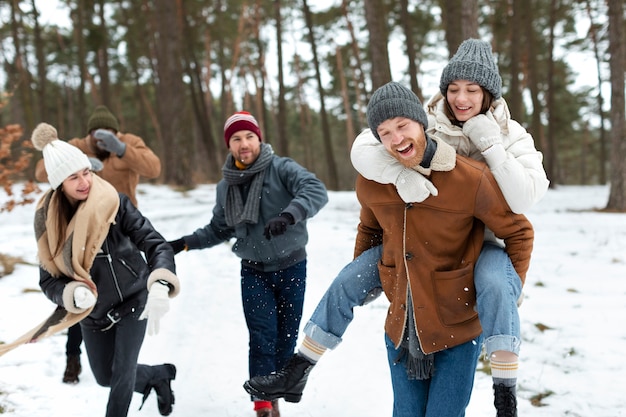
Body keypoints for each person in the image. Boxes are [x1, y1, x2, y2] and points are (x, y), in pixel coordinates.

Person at [244, 39, 548, 417]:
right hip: (411, 272)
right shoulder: (416, 133)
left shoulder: (505, 139)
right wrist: (380, 272)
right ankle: (299, 367)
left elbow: (521, 209)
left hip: (480, 248)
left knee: (494, 284)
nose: (461, 97)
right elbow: (369, 163)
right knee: (346, 280)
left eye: (472, 89)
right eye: (454, 89)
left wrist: (490, 147)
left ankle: (505, 394)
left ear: (489, 93)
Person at [167, 111, 328, 417]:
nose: (244, 144)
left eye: (249, 136)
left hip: (292, 266)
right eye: (237, 138)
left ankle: (279, 389)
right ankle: (263, 405)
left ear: (259, 138)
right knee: (261, 336)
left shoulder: (282, 168)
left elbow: (315, 190)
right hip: (254, 271)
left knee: (286, 337)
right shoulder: (226, 187)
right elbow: (219, 228)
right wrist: (183, 243)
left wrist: (289, 215)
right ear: (229, 145)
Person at [31, 122, 180, 417]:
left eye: (86, 172)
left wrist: (160, 281)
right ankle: (158, 375)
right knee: (105, 377)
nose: (85, 181)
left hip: (133, 301)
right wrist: (71, 293)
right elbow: (48, 280)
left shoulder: (115, 204)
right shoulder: (50, 224)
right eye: (74, 177)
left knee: (122, 379)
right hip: (92, 312)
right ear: (60, 184)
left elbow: (156, 244)